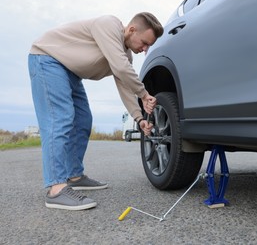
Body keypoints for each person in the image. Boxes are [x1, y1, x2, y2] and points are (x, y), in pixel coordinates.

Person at [28, 12, 164, 211]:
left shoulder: (124, 55)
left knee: (83, 120)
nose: (145, 49)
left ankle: (74, 176)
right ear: (132, 29)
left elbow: (125, 85)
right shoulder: (108, 25)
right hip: (48, 59)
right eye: (144, 43)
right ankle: (56, 188)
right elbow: (121, 68)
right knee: (60, 119)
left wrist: (139, 118)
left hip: (71, 73)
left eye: (148, 46)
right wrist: (144, 94)